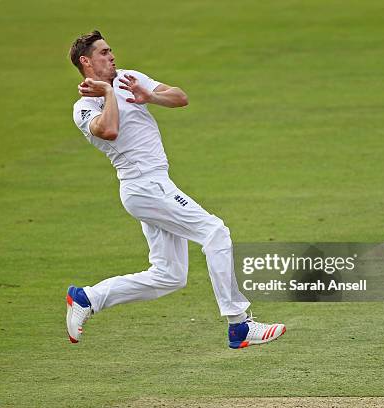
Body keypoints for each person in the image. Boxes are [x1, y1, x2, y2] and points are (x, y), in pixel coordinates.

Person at [67, 30, 286, 349]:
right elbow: (110, 130)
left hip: (156, 184)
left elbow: (180, 97)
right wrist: (109, 93)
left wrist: (149, 96)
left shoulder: (129, 77)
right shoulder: (83, 108)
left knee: (169, 276)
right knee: (215, 233)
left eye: (111, 50)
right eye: (104, 53)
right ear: (86, 62)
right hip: (144, 186)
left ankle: (87, 297)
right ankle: (239, 325)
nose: (112, 56)